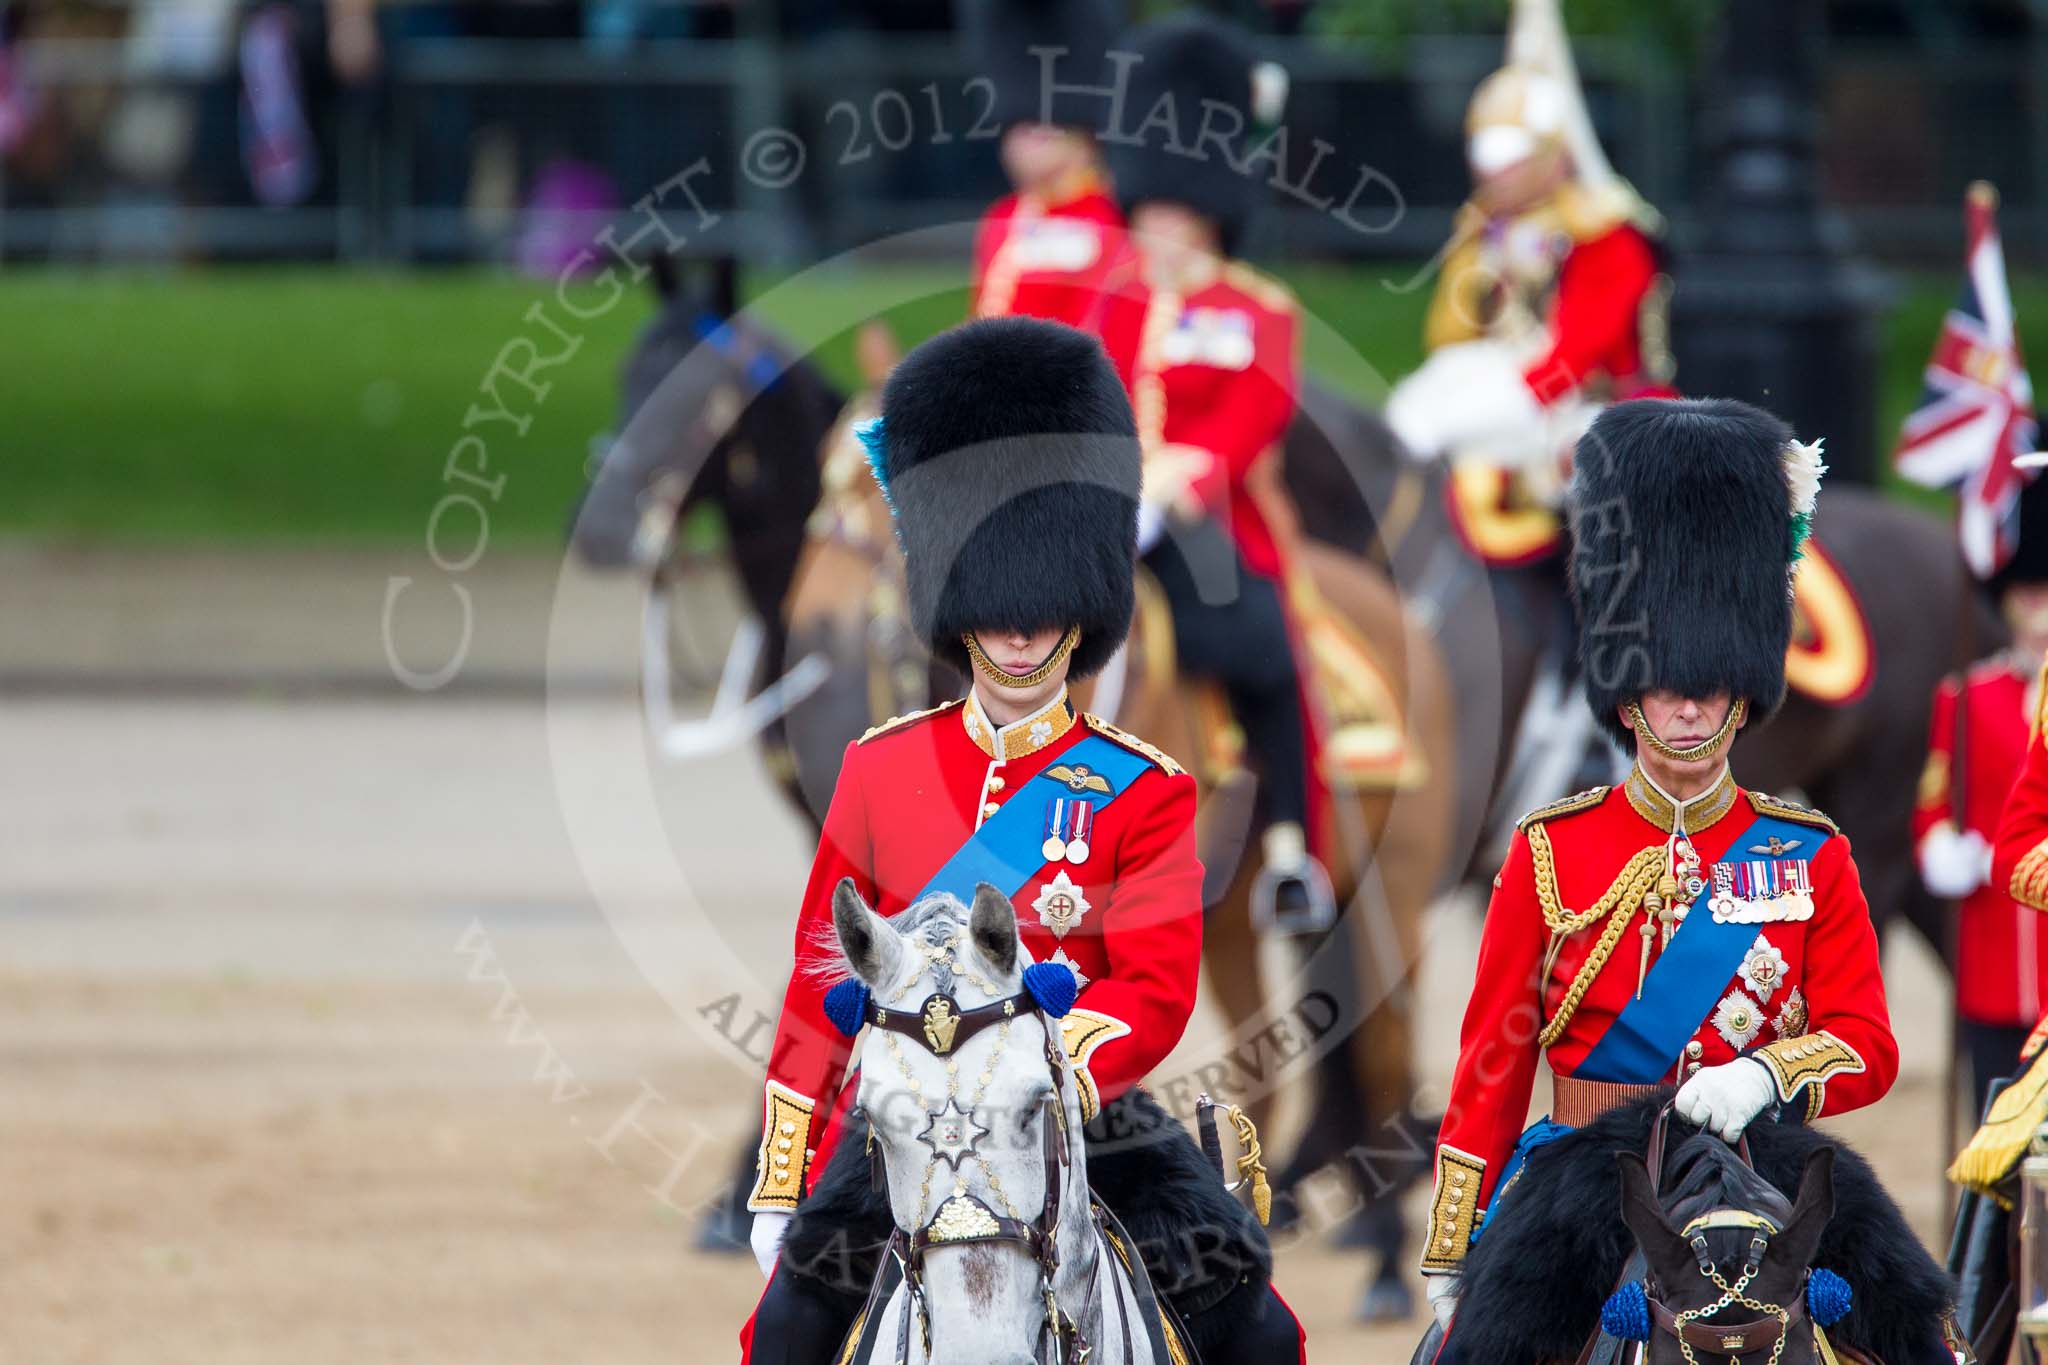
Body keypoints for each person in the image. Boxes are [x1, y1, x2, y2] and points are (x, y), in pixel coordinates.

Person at [739, 317, 1303, 1364]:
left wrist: (1047, 1070)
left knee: (1254, 1326)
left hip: (1082, 1118)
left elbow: (1153, 989)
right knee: (784, 1332)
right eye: (996, 611)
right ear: (956, 606)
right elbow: (815, 986)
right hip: (911, 1115)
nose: (1017, 633)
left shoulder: (1141, 789)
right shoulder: (880, 769)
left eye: (1041, 613)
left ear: (1077, 612)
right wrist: (782, 1178)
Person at [1419, 398, 1899, 1346]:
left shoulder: (1810, 852)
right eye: (1665, 686)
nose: (1687, 710)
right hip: (1586, 1179)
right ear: (1626, 688)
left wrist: (1766, 1074)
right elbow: (1492, 1063)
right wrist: (1451, 1242)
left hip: (1768, 1169)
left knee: (1919, 1332)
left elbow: (1868, 1042)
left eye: (1708, 686)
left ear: (1743, 685)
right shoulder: (1549, 847)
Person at [1088, 13, 1335, 934]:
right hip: (1113, 503)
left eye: (1176, 214)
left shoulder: (1256, 308)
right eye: (1150, 211)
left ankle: (1289, 853)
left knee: (1263, 652)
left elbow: (1255, 411)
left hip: (1216, 519)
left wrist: (1187, 473)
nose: (1160, 230)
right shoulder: (1112, 301)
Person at [1385, 0, 1673, 566]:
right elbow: (1453, 333)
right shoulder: (1485, 227)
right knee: (1408, 420)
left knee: (1587, 489)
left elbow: (1578, 354)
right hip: (1505, 386)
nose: (1497, 174)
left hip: (1590, 403)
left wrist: (1476, 409)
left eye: (1511, 159)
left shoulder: (1606, 234)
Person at [1915, 473, 2048, 1107]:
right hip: (1992, 951)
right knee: (1994, 1124)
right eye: (2030, 593)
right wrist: (1941, 846)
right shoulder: (1966, 697)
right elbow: (1934, 801)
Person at [961, 0, 1125, 329]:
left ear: (1084, 138)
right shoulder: (1002, 216)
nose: (1022, 140)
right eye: (1018, 128)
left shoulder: (1112, 217)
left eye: (1038, 130)